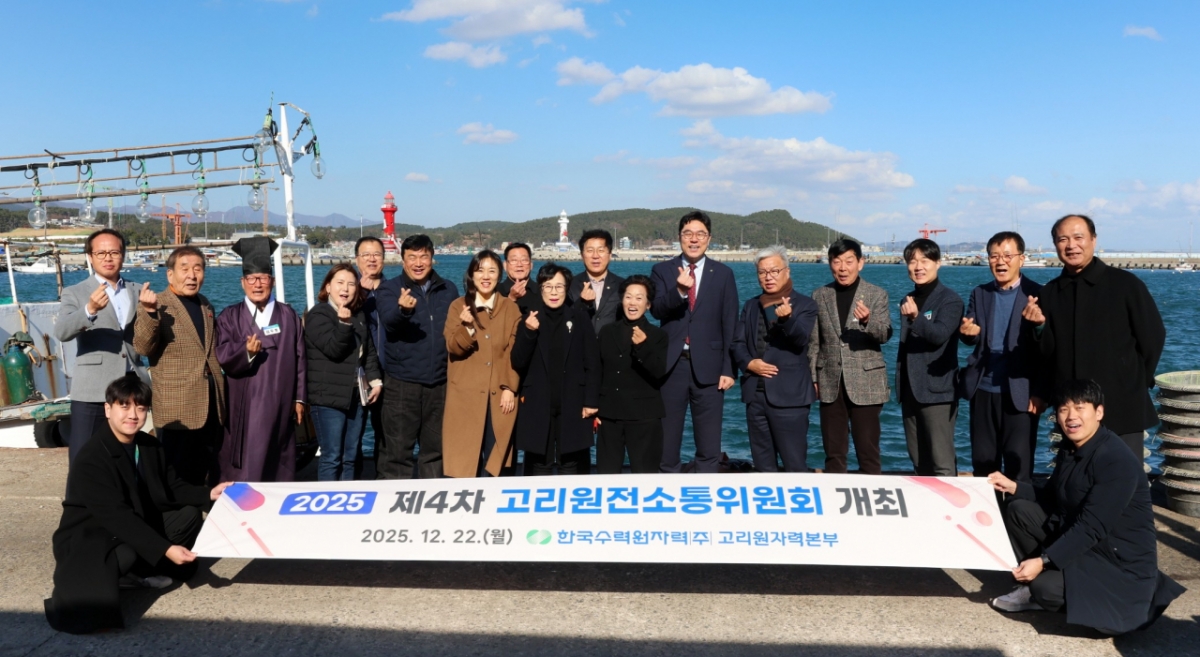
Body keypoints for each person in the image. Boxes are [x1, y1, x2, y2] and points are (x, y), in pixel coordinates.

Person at [987, 379, 1185, 635]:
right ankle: (1037, 582)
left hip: (1116, 561)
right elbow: (1052, 496)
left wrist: (1043, 561)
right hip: (1085, 545)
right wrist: (1014, 487)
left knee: (1045, 588)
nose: (1071, 416)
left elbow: (1092, 527)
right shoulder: (1070, 448)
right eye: (1063, 409)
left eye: (1080, 408)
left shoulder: (1115, 460)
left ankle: (1051, 592)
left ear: (1098, 412)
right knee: (1018, 510)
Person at [43, 374, 232, 635]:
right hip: (93, 533)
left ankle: (141, 570)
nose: (133, 415)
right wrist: (166, 549)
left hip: (136, 518)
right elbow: (117, 517)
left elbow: (173, 487)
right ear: (108, 409)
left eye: (141, 408)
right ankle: (126, 574)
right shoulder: (91, 457)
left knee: (188, 516)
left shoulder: (149, 445)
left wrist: (209, 493)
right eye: (124, 406)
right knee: (123, 555)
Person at [1022, 214, 1165, 461]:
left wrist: (1135, 381)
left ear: (1093, 240)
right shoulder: (1051, 293)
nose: (1071, 245)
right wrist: (1038, 327)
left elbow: (1153, 337)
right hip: (1073, 408)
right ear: (1055, 244)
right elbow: (1047, 355)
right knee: (1076, 475)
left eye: (1078, 237)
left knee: (1124, 475)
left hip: (1122, 403)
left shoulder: (1125, 284)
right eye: (1063, 239)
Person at [650, 210, 739, 473]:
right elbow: (656, 310)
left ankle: (704, 492)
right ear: (679, 237)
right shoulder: (662, 270)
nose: (694, 239)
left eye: (700, 234)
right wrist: (679, 290)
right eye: (688, 233)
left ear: (709, 238)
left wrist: (729, 369)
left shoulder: (723, 273)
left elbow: (730, 323)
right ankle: (667, 490)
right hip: (671, 366)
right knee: (666, 444)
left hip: (710, 368)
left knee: (709, 446)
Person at [215, 236, 306, 483]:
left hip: (281, 401)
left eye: (263, 278)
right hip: (245, 402)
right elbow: (222, 353)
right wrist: (245, 352)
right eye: (252, 279)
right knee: (248, 460)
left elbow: (300, 358)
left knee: (280, 457)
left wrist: (299, 398)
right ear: (242, 282)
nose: (258, 285)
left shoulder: (288, 315)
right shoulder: (229, 316)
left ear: (272, 281)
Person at [54, 229, 149, 463]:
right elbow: (62, 331)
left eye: (114, 252)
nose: (108, 258)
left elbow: (148, 337)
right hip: (92, 388)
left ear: (123, 255)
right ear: (90, 256)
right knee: (83, 455)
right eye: (101, 253)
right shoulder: (75, 292)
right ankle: (80, 490)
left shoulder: (138, 290)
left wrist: (153, 312)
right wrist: (90, 310)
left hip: (131, 385)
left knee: (126, 454)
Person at [133, 246, 226, 486]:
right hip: (177, 406)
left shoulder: (205, 305)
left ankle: (199, 507)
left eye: (198, 269)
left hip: (210, 403)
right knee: (176, 474)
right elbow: (143, 347)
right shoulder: (157, 304)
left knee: (203, 468)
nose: (192, 275)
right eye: (184, 269)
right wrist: (149, 312)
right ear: (170, 274)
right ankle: (176, 511)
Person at [960, 231, 1045, 485]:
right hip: (983, 388)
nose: (1000, 262)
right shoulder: (980, 293)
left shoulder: (1038, 293)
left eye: (1007, 255)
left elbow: (1047, 347)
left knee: (1019, 464)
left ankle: (1018, 510)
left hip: (1021, 392)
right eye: (994, 256)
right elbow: (971, 332)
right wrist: (967, 334)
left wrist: (1040, 392)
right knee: (983, 463)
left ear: (1022, 259)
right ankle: (989, 510)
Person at [376, 234, 459, 479]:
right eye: (412, 257)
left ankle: (431, 500)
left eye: (424, 256)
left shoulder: (448, 289)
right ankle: (395, 500)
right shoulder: (389, 289)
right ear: (403, 260)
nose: (418, 263)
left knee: (435, 452)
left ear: (432, 258)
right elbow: (389, 322)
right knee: (397, 453)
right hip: (402, 383)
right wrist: (403, 310)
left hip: (439, 383)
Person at [808, 238, 892, 474]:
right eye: (837, 262)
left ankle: (872, 494)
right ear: (830, 264)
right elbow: (814, 342)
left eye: (848, 261)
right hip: (829, 380)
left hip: (866, 382)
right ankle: (836, 494)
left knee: (868, 451)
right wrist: (813, 377)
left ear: (860, 263)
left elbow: (884, 334)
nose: (843, 268)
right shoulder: (819, 295)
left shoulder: (876, 294)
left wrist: (867, 321)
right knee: (834, 453)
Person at [732, 246, 818, 472]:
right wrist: (748, 363)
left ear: (787, 272)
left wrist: (787, 320)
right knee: (763, 467)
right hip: (755, 395)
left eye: (774, 271)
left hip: (790, 398)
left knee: (794, 465)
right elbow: (737, 343)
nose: (768, 277)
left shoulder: (805, 305)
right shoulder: (751, 305)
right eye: (762, 272)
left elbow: (801, 340)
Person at [511, 263, 601, 475]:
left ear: (567, 289)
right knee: (537, 463)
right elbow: (518, 361)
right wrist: (528, 332)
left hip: (573, 400)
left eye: (559, 287)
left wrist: (591, 401)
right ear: (540, 288)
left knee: (572, 463)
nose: (554, 292)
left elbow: (592, 362)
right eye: (548, 286)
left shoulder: (579, 318)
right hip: (538, 400)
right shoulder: (529, 318)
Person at [442, 250, 523, 477]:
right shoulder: (458, 306)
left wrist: (509, 387)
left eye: (492, 271)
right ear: (471, 275)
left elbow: (514, 352)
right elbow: (453, 347)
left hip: (498, 394)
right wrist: (467, 327)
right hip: (465, 395)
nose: (485, 276)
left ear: (500, 275)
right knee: (463, 461)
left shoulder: (510, 308)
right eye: (480, 271)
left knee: (496, 461)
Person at [305, 264, 383, 481]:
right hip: (328, 398)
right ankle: (329, 499)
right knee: (332, 456)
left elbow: (368, 352)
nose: (345, 289)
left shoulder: (358, 314)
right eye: (340, 283)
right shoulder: (318, 314)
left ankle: (348, 495)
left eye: (351, 284)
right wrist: (343, 323)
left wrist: (375, 380)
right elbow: (334, 349)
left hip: (356, 396)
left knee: (351, 455)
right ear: (328, 287)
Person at [897, 238, 963, 477]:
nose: (918, 267)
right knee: (918, 460)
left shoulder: (950, 299)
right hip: (910, 391)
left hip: (937, 392)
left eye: (924, 260)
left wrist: (916, 318)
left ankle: (951, 501)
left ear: (938, 263)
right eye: (912, 261)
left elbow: (939, 335)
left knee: (941, 462)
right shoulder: (908, 299)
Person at [596, 275, 669, 474]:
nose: (632, 303)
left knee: (645, 474)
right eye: (628, 297)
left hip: (644, 415)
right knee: (606, 474)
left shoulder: (658, 335)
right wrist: (594, 406)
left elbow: (659, 372)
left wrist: (643, 347)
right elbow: (598, 370)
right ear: (622, 300)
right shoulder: (607, 331)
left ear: (648, 304)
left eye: (639, 298)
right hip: (609, 415)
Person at [354, 236, 388, 479]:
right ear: (357, 259)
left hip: (389, 372)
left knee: (385, 434)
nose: (372, 259)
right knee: (351, 436)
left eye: (376, 254)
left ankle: (382, 482)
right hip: (354, 374)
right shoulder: (346, 289)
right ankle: (352, 484)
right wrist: (361, 293)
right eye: (366, 254)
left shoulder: (394, 289)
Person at [569, 229, 625, 333]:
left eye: (601, 250)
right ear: (582, 255)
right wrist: (582, 303)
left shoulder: (622, 286)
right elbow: (564, 319)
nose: (595, 256)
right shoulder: (570, 285)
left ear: (610, 255)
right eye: (590, 250)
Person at [497, 242, 538, 313]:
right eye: (514, 260)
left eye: (524, 260)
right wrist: (511, 298)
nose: (519, 264)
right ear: (505, 265)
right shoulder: (495, 292)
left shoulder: (542, 291)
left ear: (531, 265)